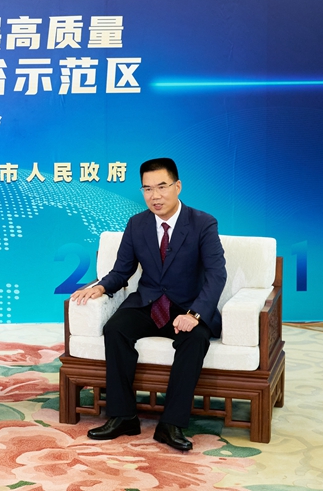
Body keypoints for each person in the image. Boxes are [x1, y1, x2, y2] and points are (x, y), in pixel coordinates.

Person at [71, 158, 226, 451]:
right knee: (116, 329)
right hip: (149, 304)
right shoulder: (137, 224)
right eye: (147, 189)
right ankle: (123, 416)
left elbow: (217, 274)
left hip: (187, 308)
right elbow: (122, 270)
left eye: (162, 187)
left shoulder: (203, 223)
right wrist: (100, 287)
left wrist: (195, 314)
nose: (155, 196)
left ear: (177, 186)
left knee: (195, 339)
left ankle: (171, 424)